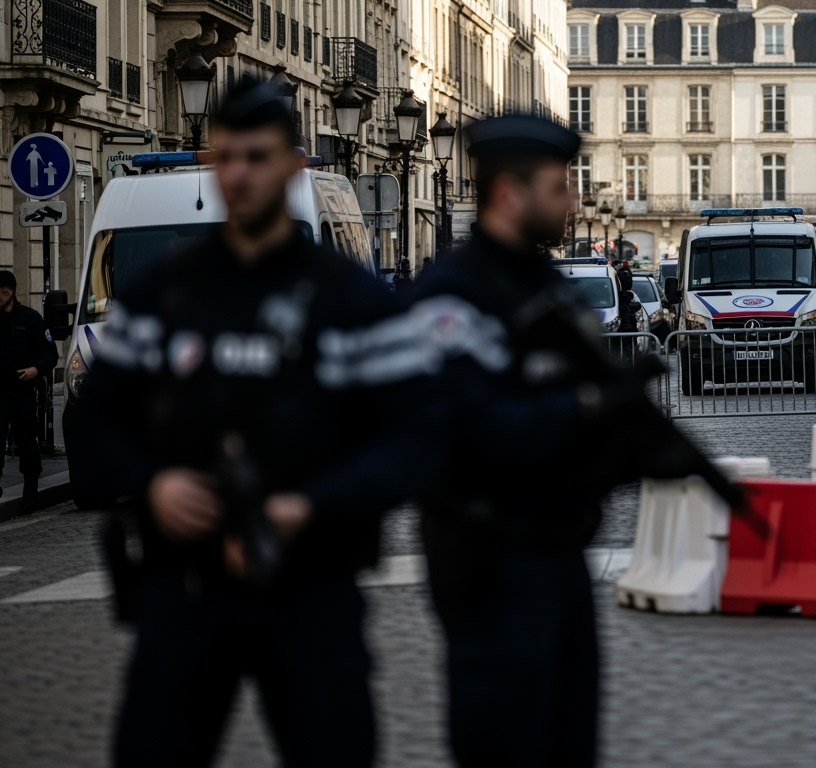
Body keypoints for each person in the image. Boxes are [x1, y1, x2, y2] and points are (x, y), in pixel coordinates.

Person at [85, 77, 444, 767]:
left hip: (311, 588)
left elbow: (417, 438)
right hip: (184, 590)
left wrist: (312, 505)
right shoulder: (162, 291)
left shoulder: (351, 299)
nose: (242, 174)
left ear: (292, 163)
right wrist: (153, 483)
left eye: (258, 156)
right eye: (227, 157)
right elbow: (97, 422)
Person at [410, 114, 640, 767]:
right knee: (503, 743)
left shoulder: (550, 289)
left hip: (562, 556)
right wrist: (584, 408)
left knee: (569, 744)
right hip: (489, 560)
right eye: (558, 185)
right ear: (510, 193)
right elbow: (463, 430)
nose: (572, 200)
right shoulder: (451, 296)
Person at [0, 269, 58, 510]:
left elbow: (50, 354)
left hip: (21, 392)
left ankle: (30, 492)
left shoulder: (30, 319)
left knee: (27, 443)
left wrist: (35, 369)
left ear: (9, 292)